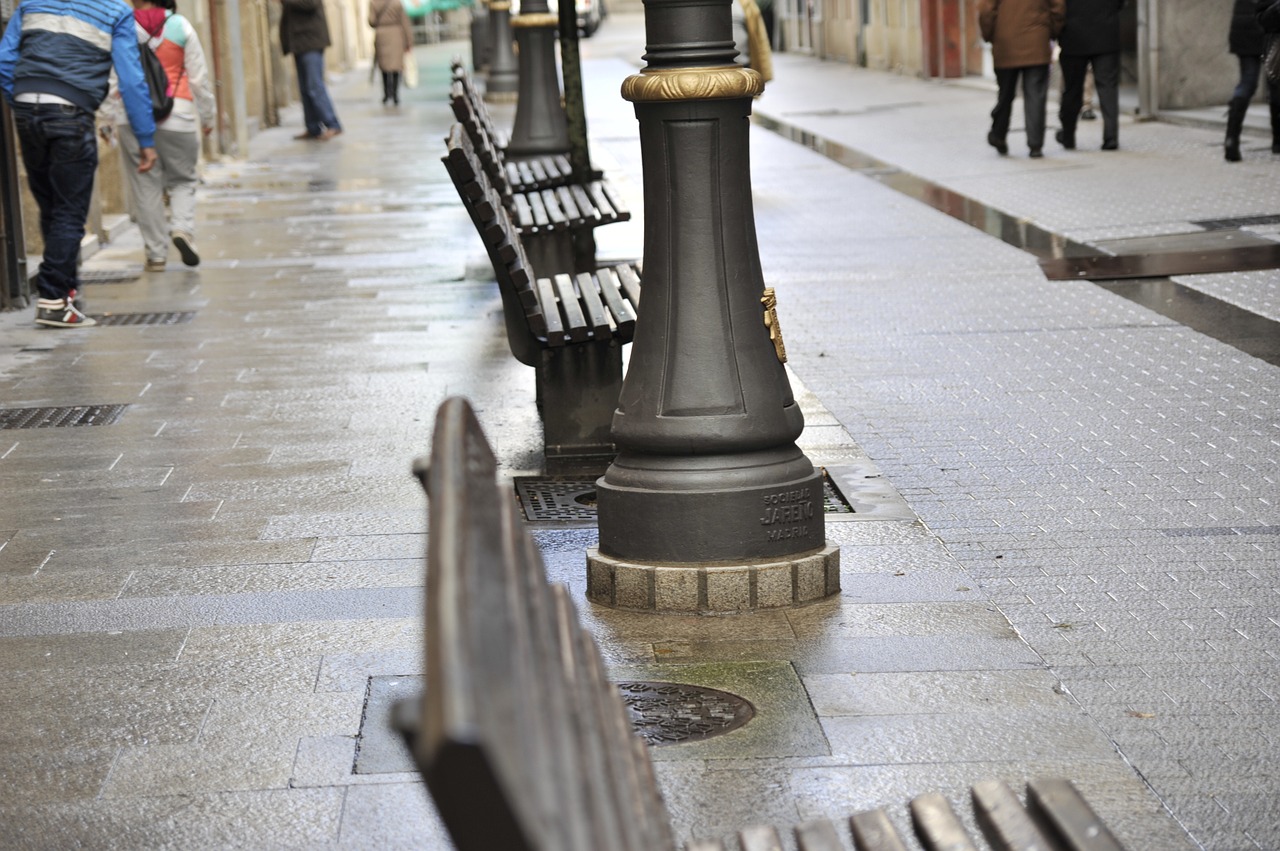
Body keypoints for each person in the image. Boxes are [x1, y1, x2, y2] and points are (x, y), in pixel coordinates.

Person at [0, 0, 157, 328]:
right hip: (71, 112)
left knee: (52, 207)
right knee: (70, 210)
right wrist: (145, 138)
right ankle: (54, 297)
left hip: (28, 110)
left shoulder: (31, 4)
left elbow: (4, 60)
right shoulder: (114, 11)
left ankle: (63, 293)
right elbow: (131, 80)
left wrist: (20, 97)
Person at [106, 0, 216, 271]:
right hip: (178, 112)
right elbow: (199, 78)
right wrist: (208, 115)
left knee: (145, 185)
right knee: (183, 178)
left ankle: (155, 254)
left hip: (131, 114)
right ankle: (182, 229)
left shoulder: (122, 25)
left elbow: (111, 78)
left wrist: (108, 118)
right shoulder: (180, 26)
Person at [978, 0, 1065, 159]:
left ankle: (998, 134)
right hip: (1036, 40)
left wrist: (989, 34)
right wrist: (1050, 31)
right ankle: (1035, 145)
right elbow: (1058, 7)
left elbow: (986, 10)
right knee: (1036, 95)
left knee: (1005, 93)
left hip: (1005, 41)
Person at [1056, 0, 1124, 151]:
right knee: (1108, 88)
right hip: (1106, 34)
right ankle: (1111, 137)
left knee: (1072, 89)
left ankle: (1068, 136)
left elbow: (1057, 6)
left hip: (1073, 36)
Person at [278, 0, 342, 141]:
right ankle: (313, 127)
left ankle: (333, 124)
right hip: (299, 41)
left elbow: (310, 4)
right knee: (305, 88)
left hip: (311, 40)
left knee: (314, 86)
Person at [1226, 0, 1279, 161]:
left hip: (1243, 26)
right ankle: (1277, 141)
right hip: (1268, 26)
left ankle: (1231, 140)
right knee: (1275, 82)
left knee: (1247, 82)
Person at [368, 0, 412, 106]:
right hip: (396, 34)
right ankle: (396, 95)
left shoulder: (374, 3)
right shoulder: (397, 3)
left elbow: (371, 21)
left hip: (381, 35)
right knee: (397, 66)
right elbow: (404, 22)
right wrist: (409, 41)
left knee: (384, 67)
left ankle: (387, 94)